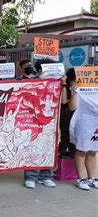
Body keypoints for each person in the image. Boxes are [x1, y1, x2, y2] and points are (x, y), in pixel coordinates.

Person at [23, 59, 57, 189]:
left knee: (49, 147)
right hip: (35, 120)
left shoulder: (57, 83)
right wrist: (41, 82)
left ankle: (46, 176)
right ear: (40, 70)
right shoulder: (33, 81)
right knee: (34, 147)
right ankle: (31, 176)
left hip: (51, 121)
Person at [68, 76, 98, 191]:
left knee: (93, 151)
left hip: (96, 123)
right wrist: (74, 93)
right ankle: (81, 178)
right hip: (83, 122)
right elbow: (72, 107)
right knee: (82, 150)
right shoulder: (78, 88)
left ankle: (92, 177)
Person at [58, 68, 76, 158]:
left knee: (75, 139)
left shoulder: (83, 87)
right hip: (66, 113)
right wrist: (64, 84)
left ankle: (72, 160)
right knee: (65, 137)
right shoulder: (65, 86)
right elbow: (64, 101)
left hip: (77, 114)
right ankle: (61, 158)